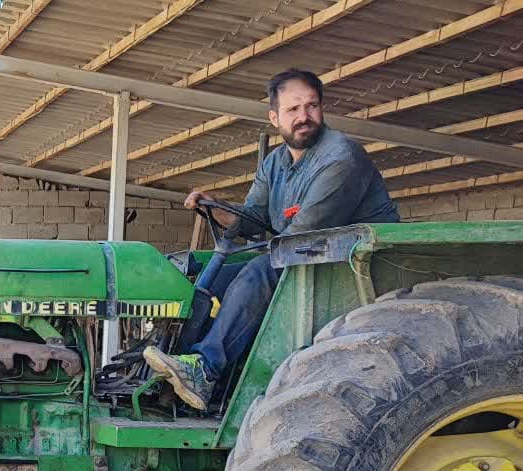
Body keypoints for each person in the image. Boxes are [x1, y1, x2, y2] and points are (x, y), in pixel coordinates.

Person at [142, 68, 400, 411]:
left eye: (311, 106)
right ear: (274, 117)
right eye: (293, 109)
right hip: (311, 256)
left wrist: (256, 243)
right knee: (215, 278)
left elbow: (303, 233)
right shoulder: (275, 162)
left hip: (357, 265)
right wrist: (215, 208)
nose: (304, 117)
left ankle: (206, 370)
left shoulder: (342, 158)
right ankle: (177, 376)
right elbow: (254, 218)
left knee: (258, 271)